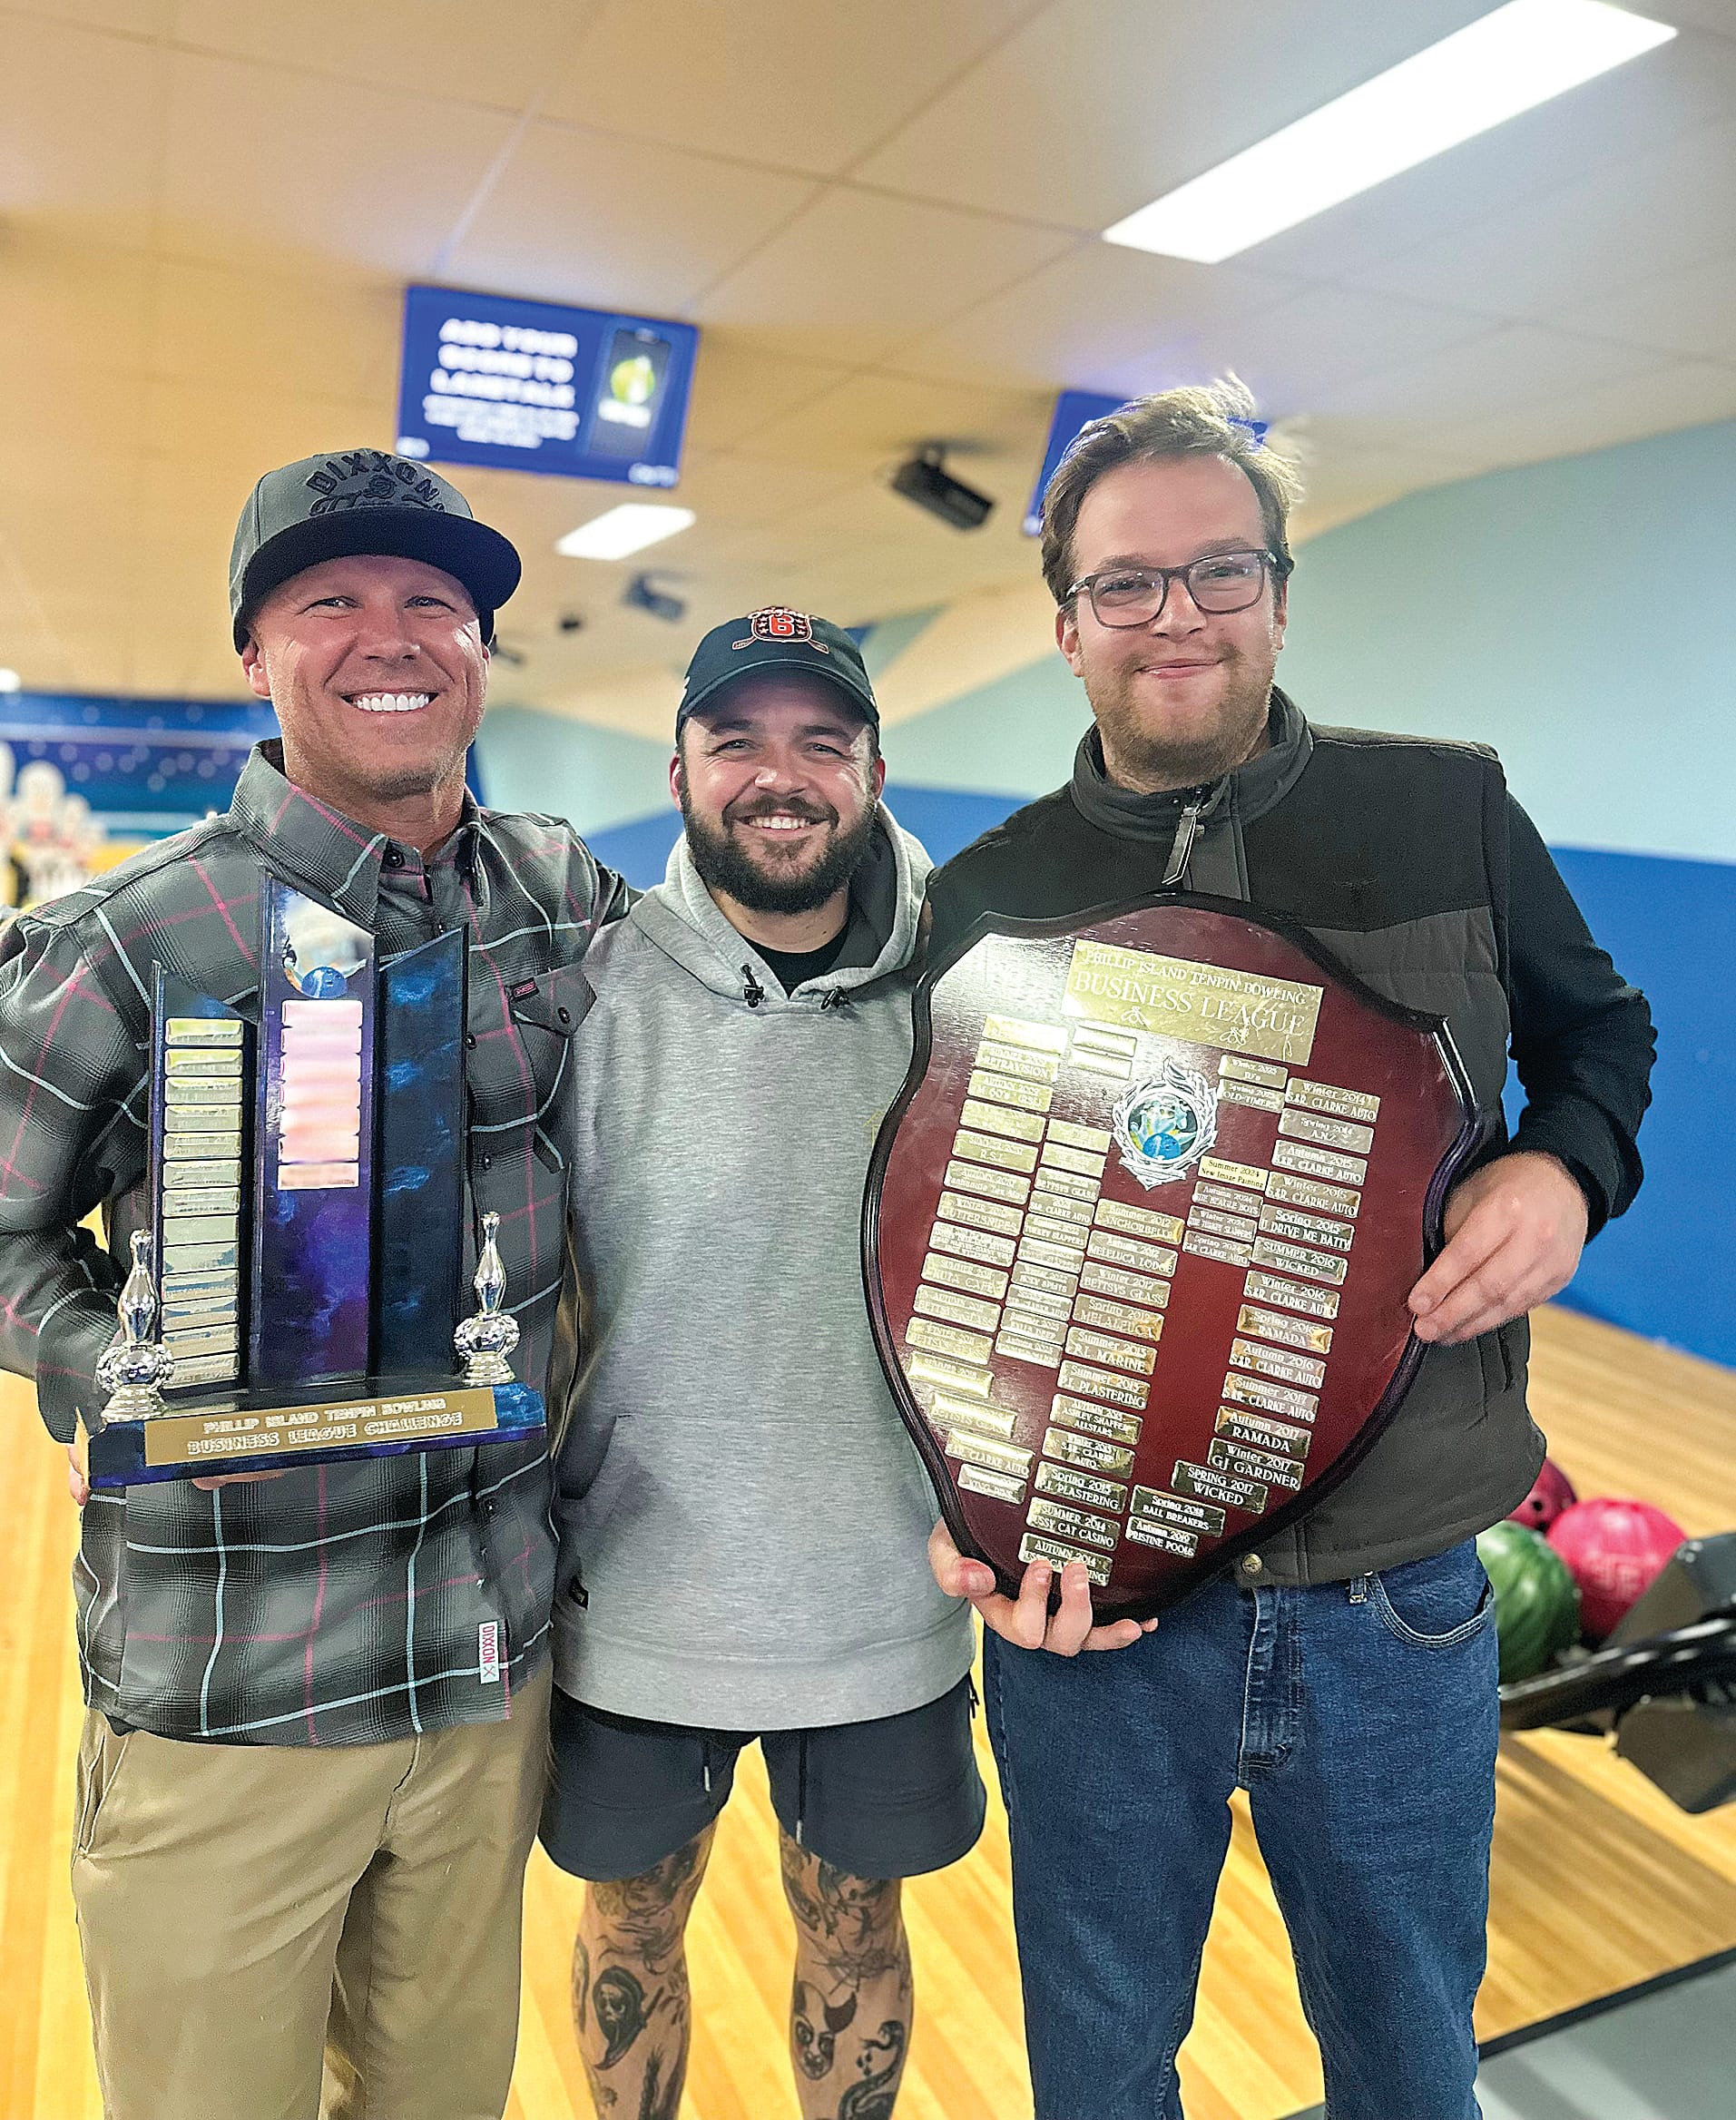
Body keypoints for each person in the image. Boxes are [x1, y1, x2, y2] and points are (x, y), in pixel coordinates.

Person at [922, 382, 1655, 2120]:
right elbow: (935, 1231)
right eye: (1127, 583)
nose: (1176, 612)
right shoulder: (985, 897)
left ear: (1275, 590)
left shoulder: (1446, 814)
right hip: (1090, 1613)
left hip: (1394, 1593)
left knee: (1410, 2072)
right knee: (1099, 2080)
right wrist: (963, 1505)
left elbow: (1600, 1036)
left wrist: (1563, 1171)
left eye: (1217, 569)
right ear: (1065, 624)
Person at [0, 447, 628, 2120]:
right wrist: (94, 1360)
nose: (391, 634)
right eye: (329, 599)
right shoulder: (135, 941)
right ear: (254, 648)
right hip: (231, 1691)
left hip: (484, 1674)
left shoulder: (561, 902)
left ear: (484, 648)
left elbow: (790, 989)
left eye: (435, 600)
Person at [539, 607, 983, 2120]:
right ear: (678, 771)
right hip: (637, 1595)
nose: (777, 776)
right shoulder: (587, 990)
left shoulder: (970, 992)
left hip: (886, 1594)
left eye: (819, 743)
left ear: (872, 770)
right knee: (629, 1929)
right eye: (738, 741)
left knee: (858, 1937)